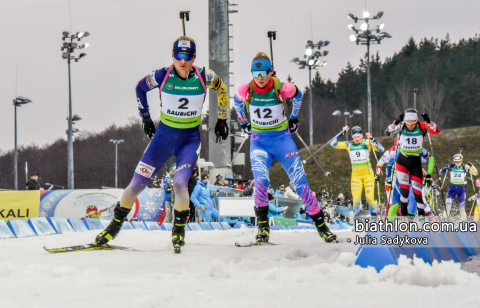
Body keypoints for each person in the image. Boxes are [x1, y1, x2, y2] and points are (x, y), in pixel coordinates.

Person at [95, 36, 229, 252]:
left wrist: (222, 118)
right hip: (163, 139)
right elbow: (140, 88)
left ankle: (178, 230)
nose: (182, 61)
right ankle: (115, 225)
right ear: (173, 57)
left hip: (189, 140)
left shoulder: (205, 76)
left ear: (193, 58)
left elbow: (222, 89)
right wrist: (145, 117)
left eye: (187, 57)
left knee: (179, 183)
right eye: (178, 56)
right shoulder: (162, 75)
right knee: (137, 184)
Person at [234, 52, 336, 243]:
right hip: (259, 142)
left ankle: (322, 227)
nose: (260, 78)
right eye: (256, 74)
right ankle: (263, 228)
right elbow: (237, 100)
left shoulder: (283, 88)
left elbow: (298, 94)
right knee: (261, 182)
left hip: (282, 141)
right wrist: (243, 122)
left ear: (271, 72)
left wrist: (294, 117)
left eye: (264, 72)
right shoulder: (245, 89)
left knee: (301, 185)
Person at [385, 109, 439, 217]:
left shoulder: (422, 126)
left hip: (415, 162)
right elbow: (387, 132)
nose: (409, 126)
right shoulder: (401, 126)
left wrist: (429, 122)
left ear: (416, 121)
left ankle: (421, 221)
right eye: (408, 124)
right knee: (402, 196)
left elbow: (435, 131)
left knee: (417, 195)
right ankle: (401, 222)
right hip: (402, 161)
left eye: (412, 124)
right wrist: (396, 122)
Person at [330, 126, 384, 218]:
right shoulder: (349, 145)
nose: (357, 139)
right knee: (356, 199)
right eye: (355, 137)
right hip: (356, 176)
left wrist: (372, 139)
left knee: (370, 198)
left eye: (358, 137)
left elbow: (381, 149)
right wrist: (342, 133)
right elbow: (333, 144)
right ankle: (356, 220)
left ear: (362, 136)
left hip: (368, 175)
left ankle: (375, 216)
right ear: (352, 137)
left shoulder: (367, 143)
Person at [386, 147, 434, 222]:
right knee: (395, 204)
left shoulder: (418, 147)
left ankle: (410, 224)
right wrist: (388, 179)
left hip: (413, 179)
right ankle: (388, 225)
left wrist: (429, 174)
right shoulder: (398, 151)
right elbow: (389, 166)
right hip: (400, 180)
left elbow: (430, 158)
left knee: (413, 199)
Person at [440, 154, 478, 221]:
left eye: (459, 161)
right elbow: (440, 172)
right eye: (456, 162)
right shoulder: (451, 166)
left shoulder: (465, 167)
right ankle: (444, 221)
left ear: (462, 161)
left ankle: (464, 223)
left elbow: (475, 173)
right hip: (452, 189)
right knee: (447, 207)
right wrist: (444, 169)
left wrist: (471, 166)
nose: (457, 163)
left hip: (461, 190)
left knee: (462, 209)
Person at [376, 139, 398, 203]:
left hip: (403, 175)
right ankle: (389, 210)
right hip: (391, 176)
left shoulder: (407, 151)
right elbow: (379, 164)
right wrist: (377, 174)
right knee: (390, 195)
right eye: (397, 145)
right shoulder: (389, 152)